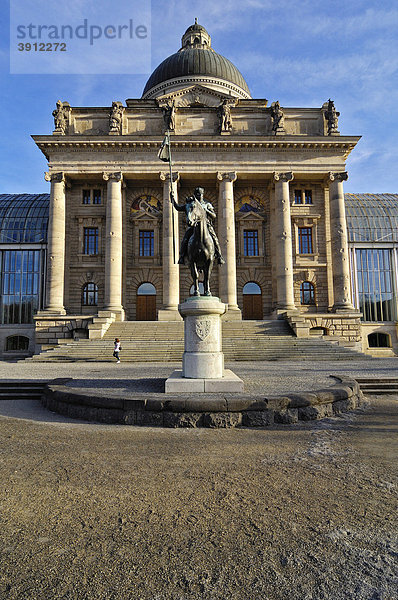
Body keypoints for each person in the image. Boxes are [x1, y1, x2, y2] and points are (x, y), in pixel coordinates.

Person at [171, 186, 225, 265]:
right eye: (197, 195)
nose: (199, 196)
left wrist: (206, 210)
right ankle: (182, 256)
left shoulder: (207, 204)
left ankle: (219, 256)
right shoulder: (190, 205)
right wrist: (172, 199)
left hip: (206, 225)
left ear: (203, 195)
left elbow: (214, 216)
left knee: (214, 238)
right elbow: (178, 207)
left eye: (200, 194)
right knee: (185, 239)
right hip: (193, 226)